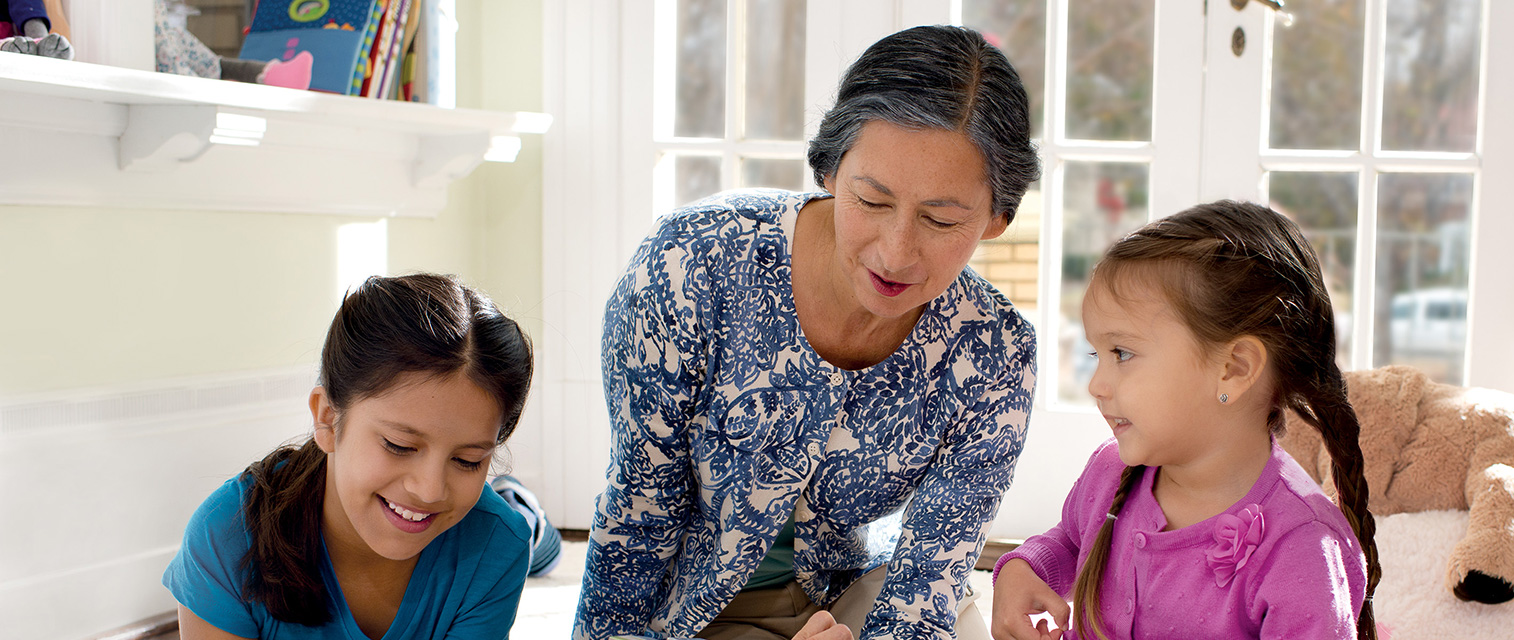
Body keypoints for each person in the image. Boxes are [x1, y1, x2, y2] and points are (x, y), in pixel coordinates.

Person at [575, 24, 1041, 640]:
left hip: (854, 592)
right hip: (694, 609)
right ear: (829, 169)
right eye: (872, 201)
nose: (896, 252)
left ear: (996, 220)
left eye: (941, 218)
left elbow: (930, 575)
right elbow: (639, 513)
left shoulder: (997, 352)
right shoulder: (690, 265)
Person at [990, 201, 1382, 640]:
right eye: (1095, 354)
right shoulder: (1109, 471)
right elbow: (1069, 540)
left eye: (1122, 353)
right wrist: (1023, 570)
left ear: (1234, 368)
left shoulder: (1302, 548)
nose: (1097, 385)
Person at [163, 274, 536, 640]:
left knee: (527, 530)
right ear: (327, 418)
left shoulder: (498, 545)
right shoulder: (227, 533)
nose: (429, 489)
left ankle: (527, 511)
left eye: (468, 460)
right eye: (398, 445)